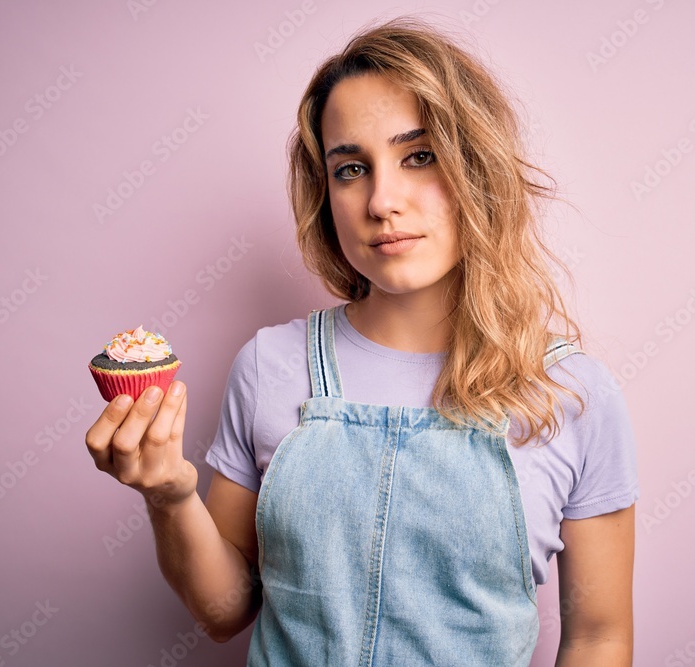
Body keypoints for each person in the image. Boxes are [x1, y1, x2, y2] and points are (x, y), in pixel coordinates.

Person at [85, 16, 639, 667]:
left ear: (478, 168)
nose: (381, 200)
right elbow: (225, 611)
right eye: (350, 168)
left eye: (420, 155)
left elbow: (600, 636)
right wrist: (169, 494)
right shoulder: (270, 365)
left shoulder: (573, 393)